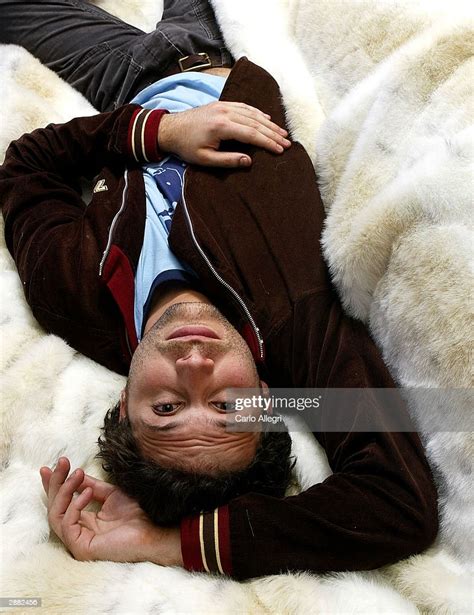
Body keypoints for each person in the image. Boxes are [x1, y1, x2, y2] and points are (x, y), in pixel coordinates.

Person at [0, 0, 438, 580]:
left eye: (166, 407)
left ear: (124, 406)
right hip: (225, 49)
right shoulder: (295, 319)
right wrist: (172, 544)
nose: (195, 365)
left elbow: (28, 166)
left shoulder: (70, 295)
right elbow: (399, 506)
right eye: (229, 407)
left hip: (125, 81)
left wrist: (159, 131)